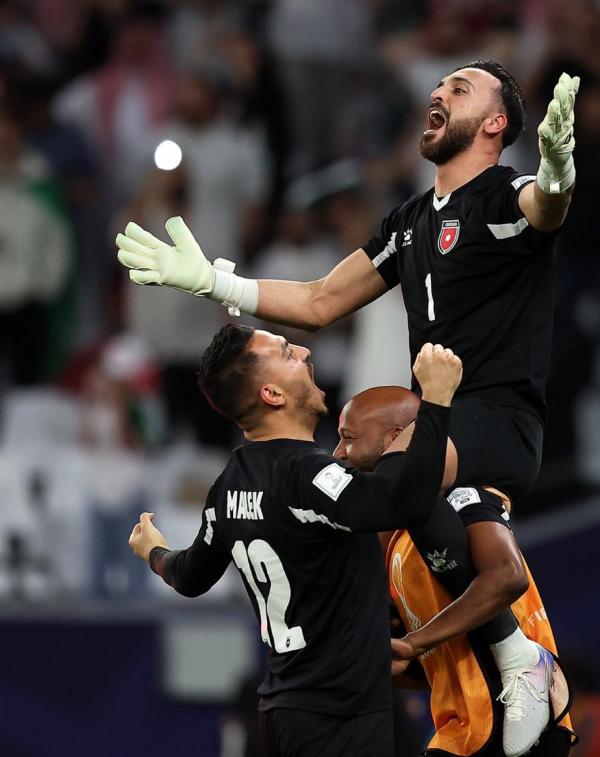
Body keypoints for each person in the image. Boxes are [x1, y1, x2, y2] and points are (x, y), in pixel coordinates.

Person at [116, 61, 579, 756]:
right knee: (368, 499)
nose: (438, 93)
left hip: (498, 420)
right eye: (439, 86)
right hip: (439, 422)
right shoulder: (410, 221)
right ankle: (441, 654)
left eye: (459, 89)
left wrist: (559, 169)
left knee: (394, 475)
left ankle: (520, 658)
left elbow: (545, 207)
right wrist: (214, 281)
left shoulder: (502, 194)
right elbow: (320, 301)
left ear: (495, 124)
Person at [129, 326, 462, 757]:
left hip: (284, 710)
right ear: (272, 394)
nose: (304, 351)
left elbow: (189, 575)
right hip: (338, 716)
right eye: (287, 353)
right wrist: (436, 399)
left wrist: (153, 551)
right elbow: (403, 503)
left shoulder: (228, 486)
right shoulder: (307, 474)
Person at [334, 385, 577, 756]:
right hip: (460, 729)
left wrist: (415, 642)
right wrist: (389, 657)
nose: (338, 453)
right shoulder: (395, 538)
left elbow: (507, 576)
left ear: (396, 438)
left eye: (348, 438)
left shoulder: (463, 497)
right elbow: (441, 661)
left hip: (513, 716)